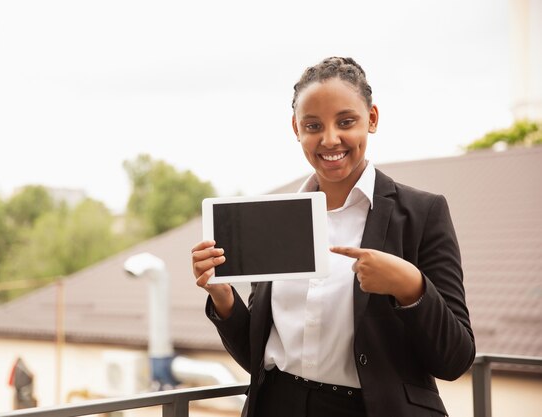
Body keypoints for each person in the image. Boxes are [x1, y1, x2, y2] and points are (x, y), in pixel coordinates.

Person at [191, 56, 475, 417]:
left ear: (371, 119)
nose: (329, 139)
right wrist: (222, 296)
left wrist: (410, 286)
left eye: (346, 121)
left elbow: (456, 359)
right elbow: (256, 357)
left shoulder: (422, 213)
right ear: (296, 128)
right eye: (312, 125)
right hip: (278, 406)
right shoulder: (273, 218)